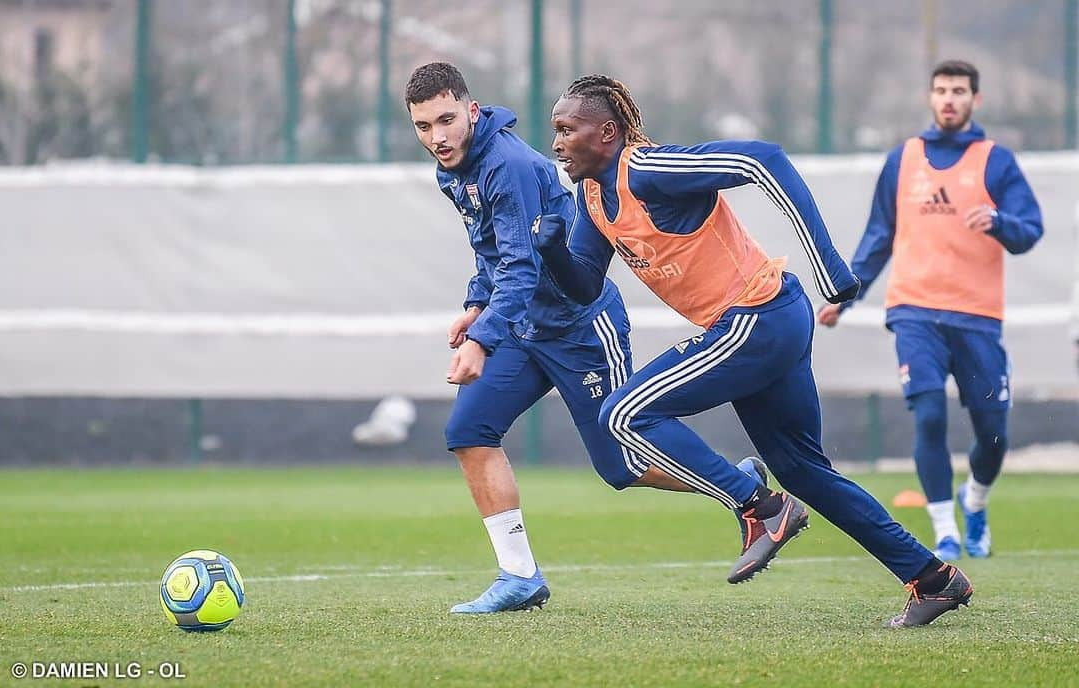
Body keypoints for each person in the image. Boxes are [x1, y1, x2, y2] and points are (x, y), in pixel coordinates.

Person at [538, 73, 972, 627]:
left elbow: (763, 159)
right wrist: (553, 250)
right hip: (767, 323)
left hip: (757, 319)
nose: (556, 142)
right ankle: (933, 577)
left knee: (624, 414)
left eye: (565, 129)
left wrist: (829, 266)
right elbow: (583, 284)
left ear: (606, 133)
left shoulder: (649, 169)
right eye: (554, 130)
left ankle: (760, 507)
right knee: (806, 471)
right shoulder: (593, 194)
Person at [405, 63, 766, 614]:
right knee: (469, 430)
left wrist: (482, 337)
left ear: (472, 111)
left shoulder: (511, 167)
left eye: (447, 120)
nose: (438, 137)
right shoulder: (453, 171)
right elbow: (492, 254)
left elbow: (524, 266)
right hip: (524, 328)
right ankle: (519, 576)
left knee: (621, 465)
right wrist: (476, 305)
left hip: (580, 329)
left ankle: (741, 488)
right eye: (425, 127)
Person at [818, 60, 1043, 562]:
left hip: (976, 317)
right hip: (914, 311)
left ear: (974, 100)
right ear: (930, 97)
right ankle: (944, 529)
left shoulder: (995, 162)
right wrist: (843, 296)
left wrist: (1001, 222)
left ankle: (975, 501)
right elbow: (878, 238)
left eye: (958, 91)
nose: (948, 99)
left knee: (993, 429)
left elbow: (1029, 231)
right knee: (929, 414)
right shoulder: (904, 160)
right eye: (941, 89)